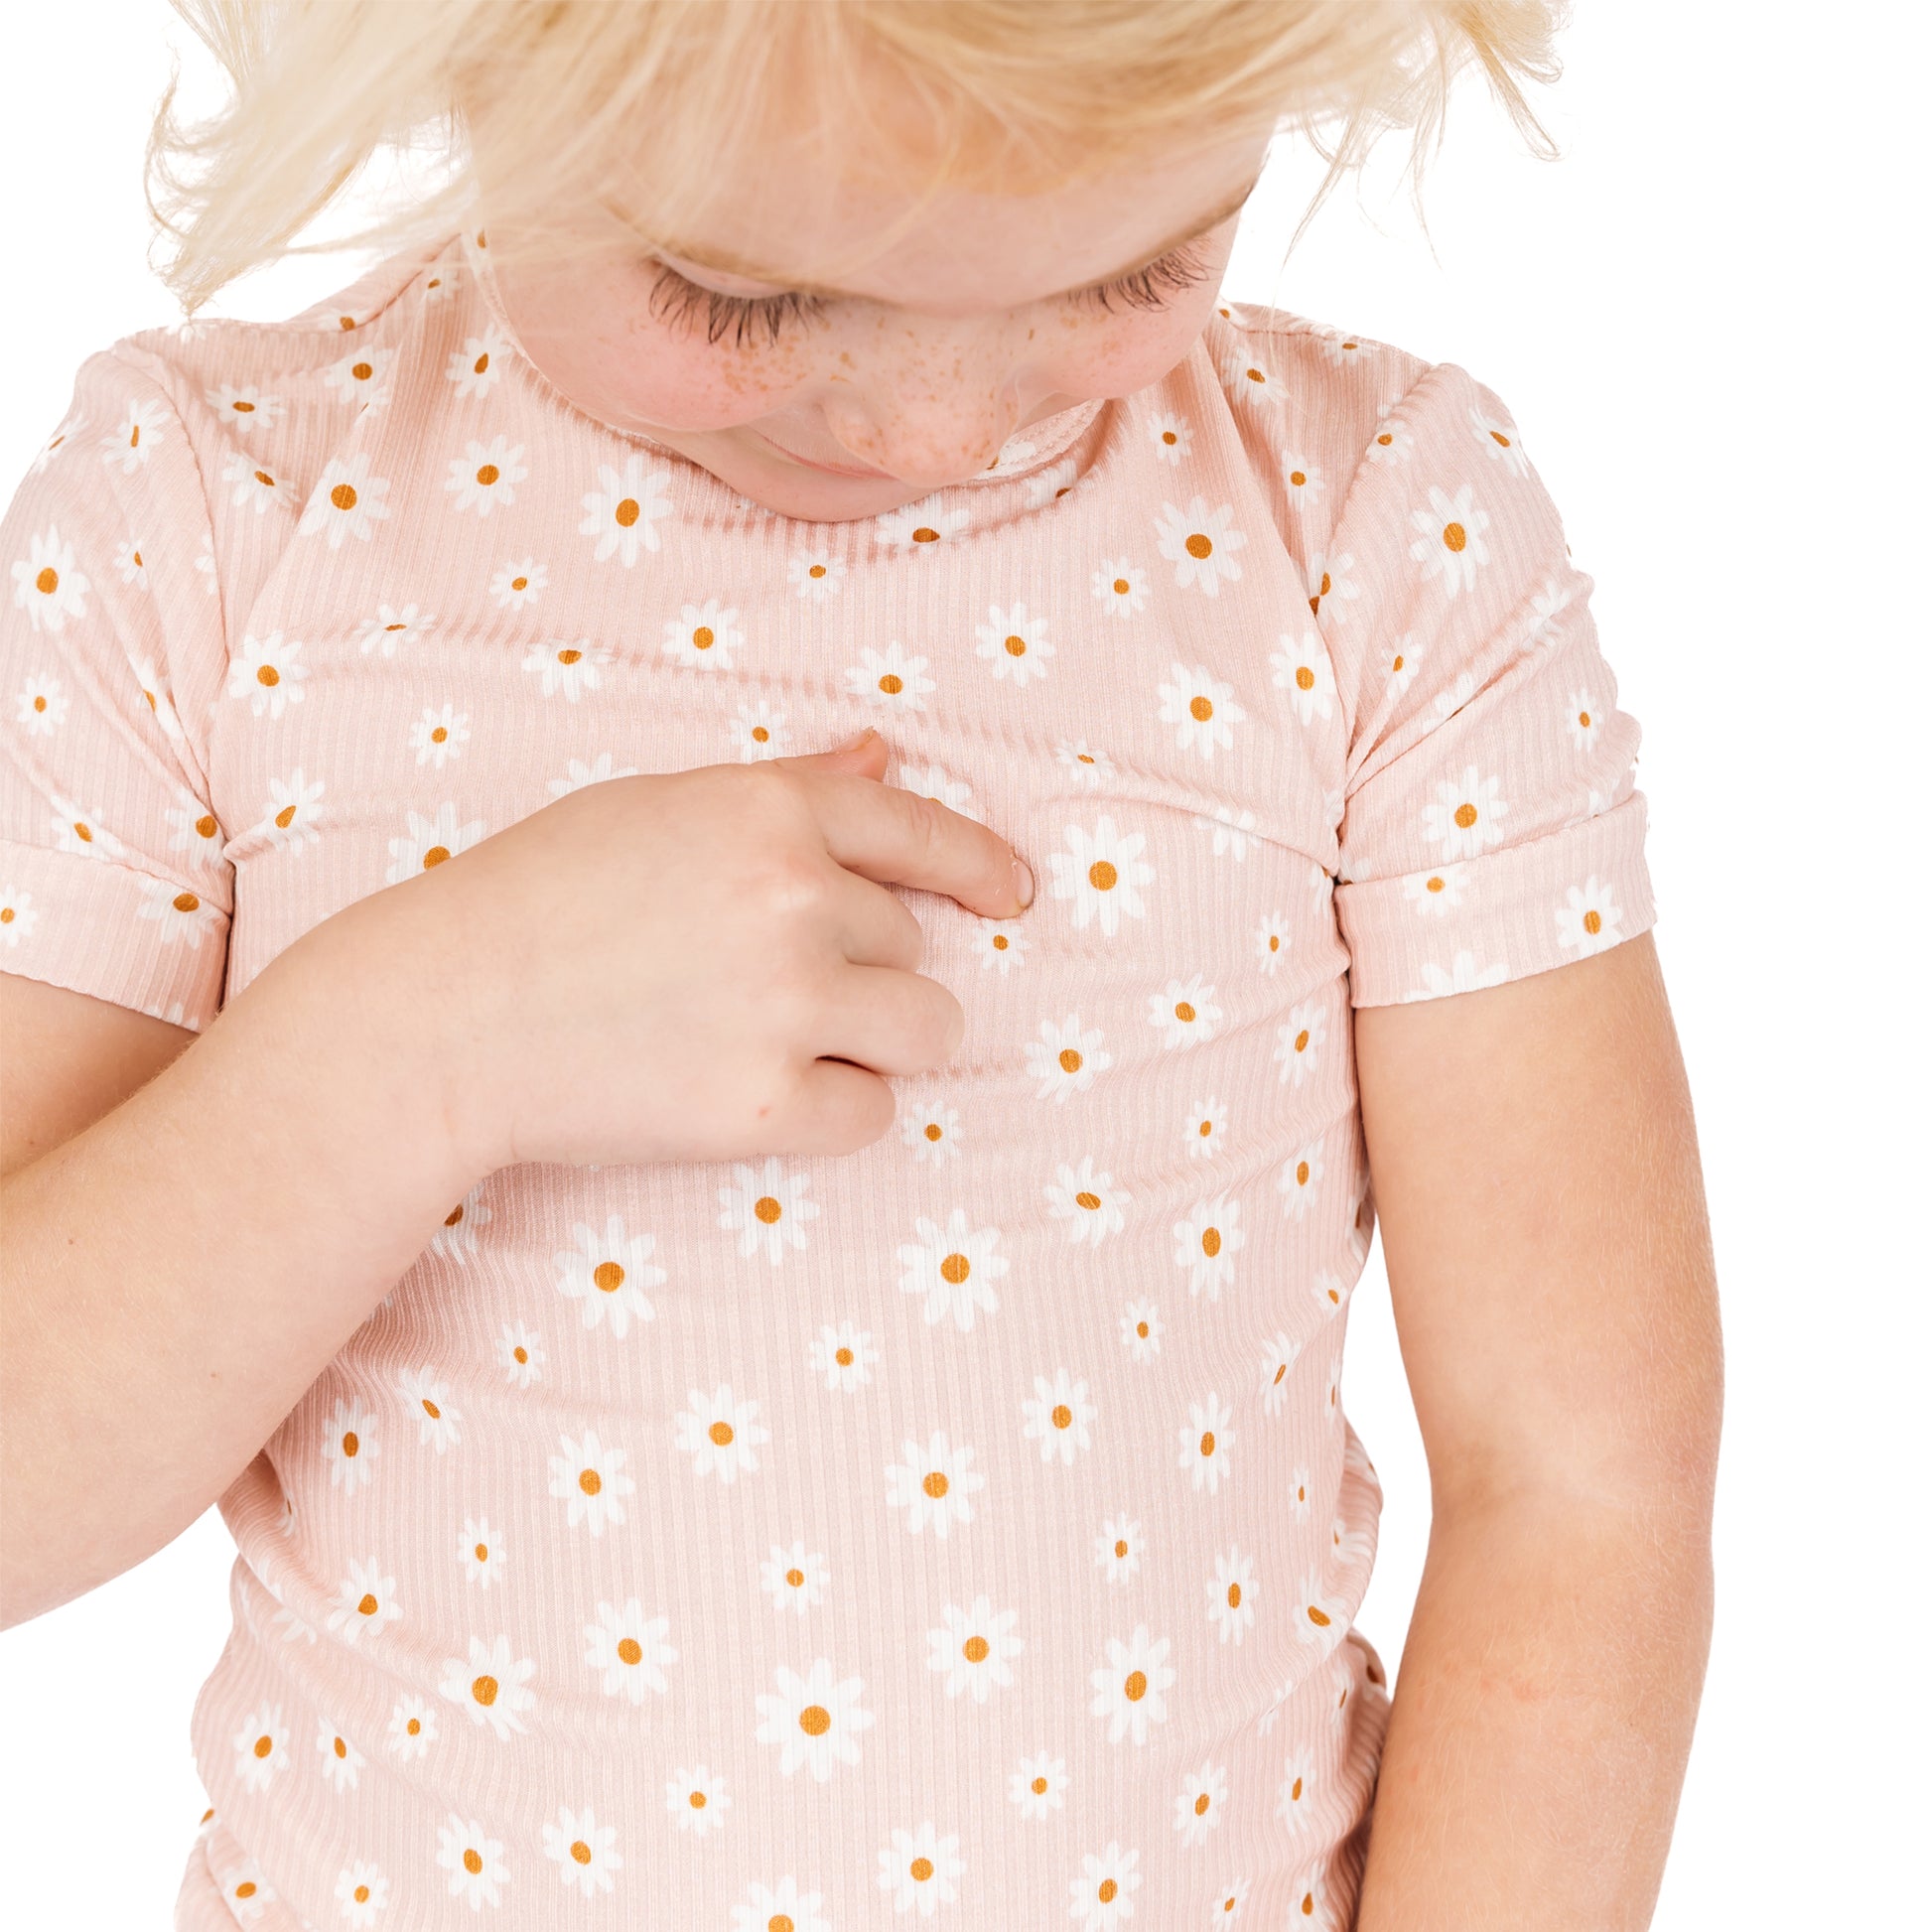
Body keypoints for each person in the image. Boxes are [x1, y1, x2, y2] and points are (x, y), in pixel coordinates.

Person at [0, 3, 1723, 1926]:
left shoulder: (1370, 520)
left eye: (1126, 269)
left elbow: (1576, 1485)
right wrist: (413, 1047)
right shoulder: (210, 511)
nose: (934, 428)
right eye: (740, 294)